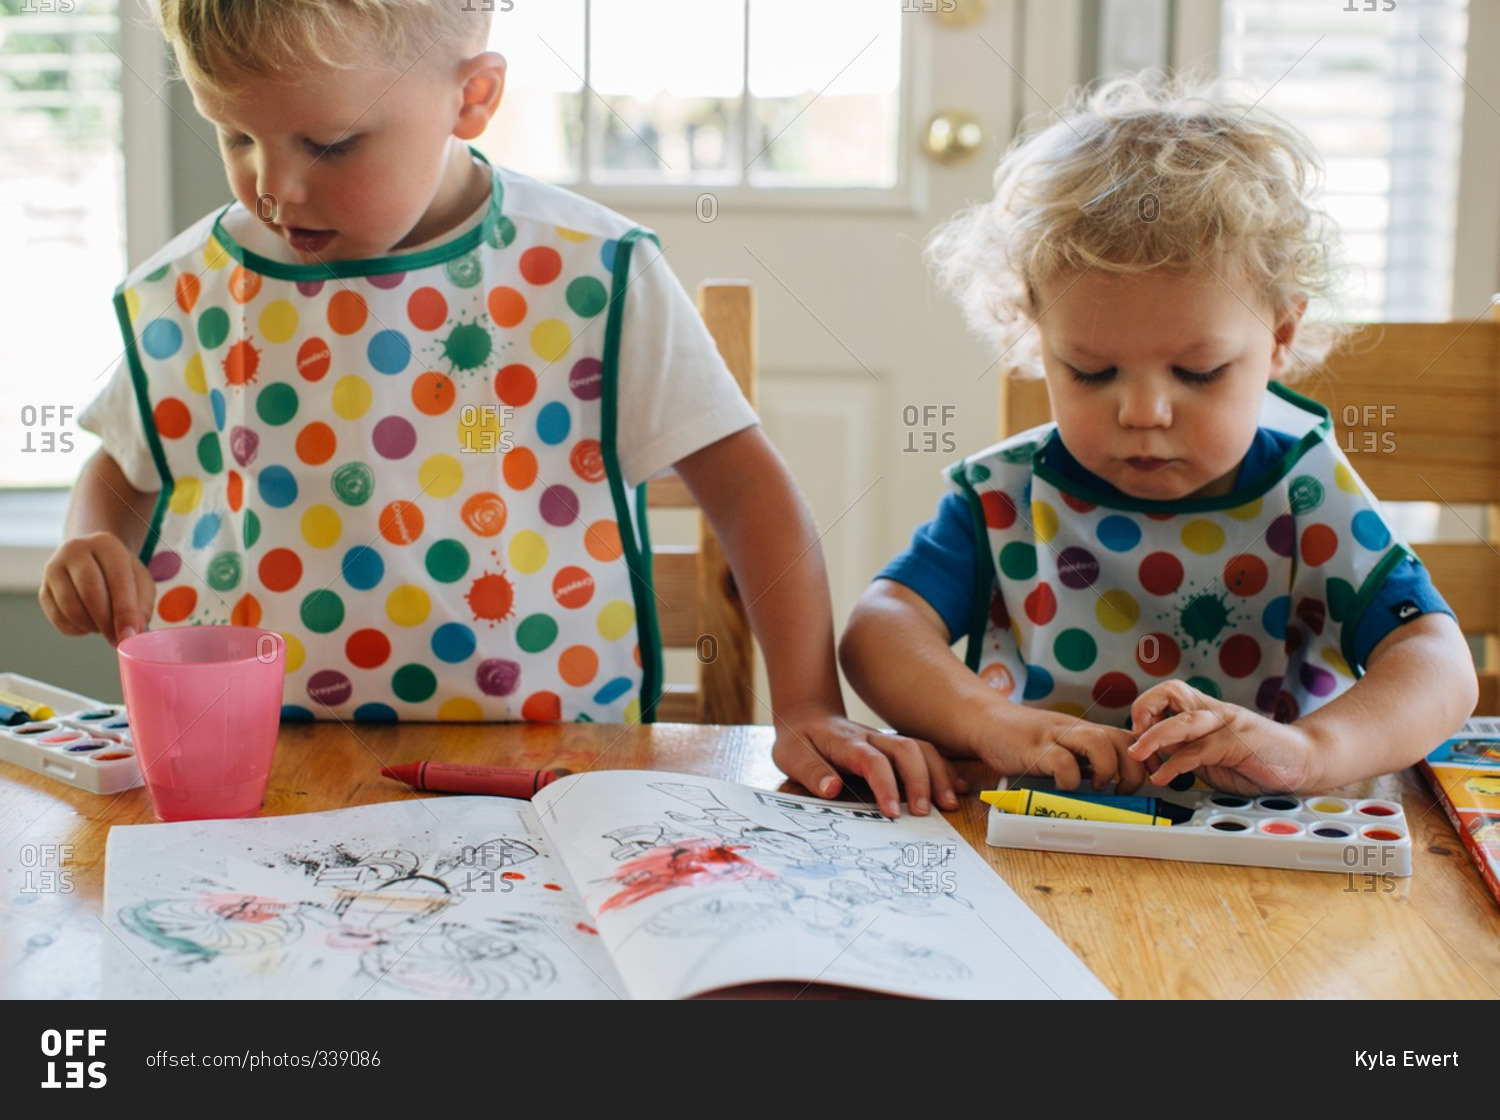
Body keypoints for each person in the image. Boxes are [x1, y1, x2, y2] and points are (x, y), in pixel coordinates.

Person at [40, 0, 941, 819]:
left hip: (545, 776)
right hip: (257, 782)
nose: (276, 188)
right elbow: (123, 472)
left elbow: (749, 491)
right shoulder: (189, 290)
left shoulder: (590, 274)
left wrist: (808, 705)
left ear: (472, 97)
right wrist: (95, 542)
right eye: (235, 136)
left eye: (329, 144)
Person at [839, 71, 1478, 798]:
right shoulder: (1006, 499)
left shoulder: (1306, 496)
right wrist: (992, 724)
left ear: (1279, 337)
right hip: (1034, 853)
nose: (1143, 412)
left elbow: (1436, 661)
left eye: (1197, 372)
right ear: (1034, 340)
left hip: (1265, 865)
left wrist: (1309, 751)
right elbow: (879, 631)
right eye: (1090, 371)